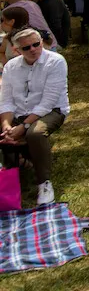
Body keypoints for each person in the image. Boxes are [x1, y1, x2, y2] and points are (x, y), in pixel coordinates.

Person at [0, 28, 69, 204]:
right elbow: (6, 100)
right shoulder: (11, 67)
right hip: (19, 112)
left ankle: (44, 183)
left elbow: (48, 102)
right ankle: (14, 166)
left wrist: (23, 127)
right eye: (26, 47)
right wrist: (6, 126)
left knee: (35, 133)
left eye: (36, 44)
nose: (32, 49)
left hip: (51, 111)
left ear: (41, 42)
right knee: (5, 131)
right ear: (16, 50)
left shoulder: (56, 61)